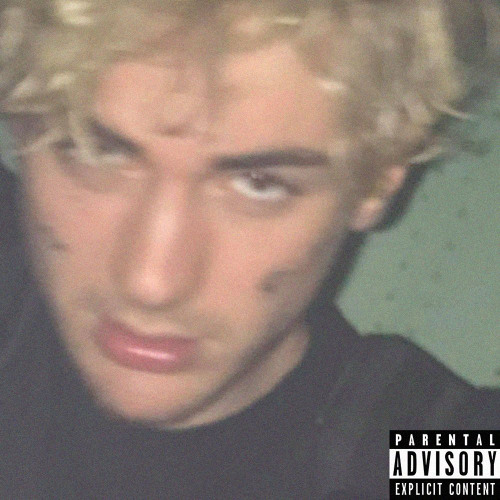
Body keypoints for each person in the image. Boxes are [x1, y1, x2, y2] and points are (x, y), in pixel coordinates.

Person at [0, 0, 498, 498]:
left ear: (375, 182)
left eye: (259, 183)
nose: (151, 283)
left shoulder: (425, 457)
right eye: (95, 150)